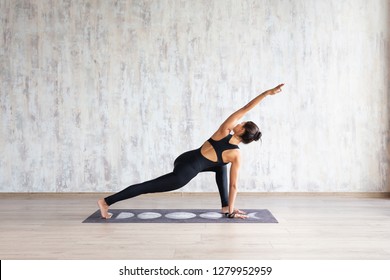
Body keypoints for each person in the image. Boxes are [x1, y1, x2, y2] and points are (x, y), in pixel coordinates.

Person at [98, 83, 284, 219]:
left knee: (221, 166)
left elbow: (245, 108)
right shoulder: (235, 154)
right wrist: (267, 93)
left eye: (242, 123)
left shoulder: (224, 130)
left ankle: (225, 206)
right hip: (184, 173)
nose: (240, 122)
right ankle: (106, 202)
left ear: (242, 131)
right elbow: (234, 186)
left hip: (186, 158)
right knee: (147, 186)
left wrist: (267, 93)